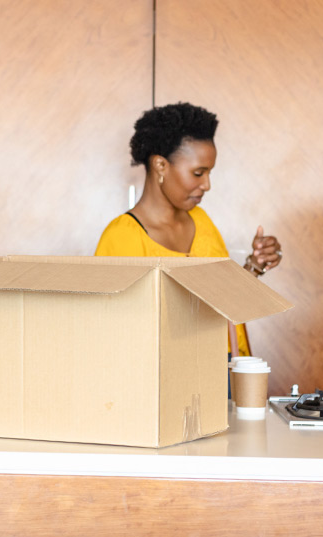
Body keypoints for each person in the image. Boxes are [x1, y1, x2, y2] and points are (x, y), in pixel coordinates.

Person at [94, 102, 283, 356]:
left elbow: (223, 299)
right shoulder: (120, 237)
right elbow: (112, 332)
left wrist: (254, 265)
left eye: (209, 173)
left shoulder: (200, 221)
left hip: (228, 365)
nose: (207, 184)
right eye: (198, 173)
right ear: (161, 165)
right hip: (171, 377)